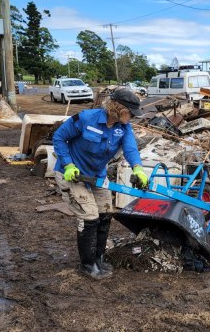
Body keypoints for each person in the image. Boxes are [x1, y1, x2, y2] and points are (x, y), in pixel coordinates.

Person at [53, 90, 148, 280]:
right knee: (90, 217)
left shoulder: (124, 127)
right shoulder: (86, 118)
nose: (132, 118)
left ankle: (98, 258)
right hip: (73, 174)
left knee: (105, 213)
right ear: (118, 109)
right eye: (130, 113)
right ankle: (87, 265)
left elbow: (130, 148)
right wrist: (68, 164)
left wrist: (138, 168)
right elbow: (59, 138)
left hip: (97, 176)